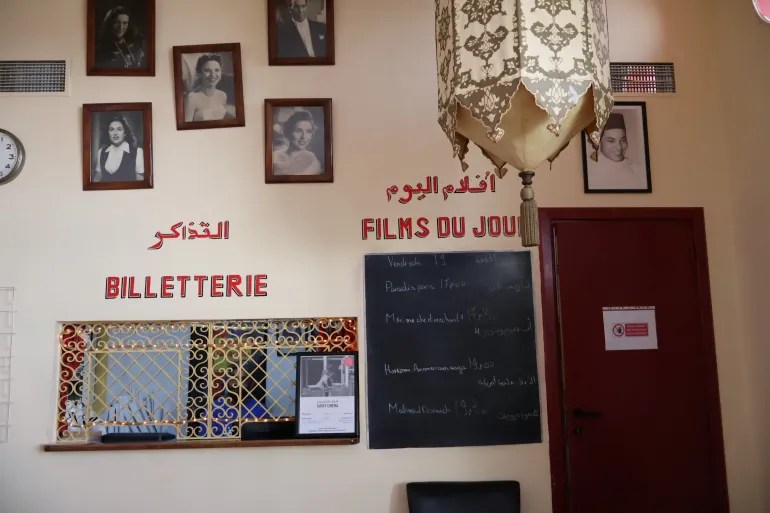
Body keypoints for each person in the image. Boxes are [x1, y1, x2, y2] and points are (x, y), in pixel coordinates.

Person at [587, 112, 648, 190]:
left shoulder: (637, 171)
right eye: (611, 141)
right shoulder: (592, 172)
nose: (619, 147)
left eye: (622, 140)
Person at [93, 114, 144, 183]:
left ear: (125, 132)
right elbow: (97, 178)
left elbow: (140, 182)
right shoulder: (101, 152)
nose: (115, 133)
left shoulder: (137, 152)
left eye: (119, 129)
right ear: (108, 133)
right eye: (111, 129)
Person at [184, 54, 235, 122]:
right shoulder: (191, 98)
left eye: (217, 70)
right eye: (207, 70)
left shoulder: (222, 95)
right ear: (199, 73)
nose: (213, 75)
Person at [273, 109, 322, 175]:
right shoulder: (275, 155)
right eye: (298, 131)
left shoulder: (312, 161)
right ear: (288, 132)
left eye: (309, 131)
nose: (304, 137)